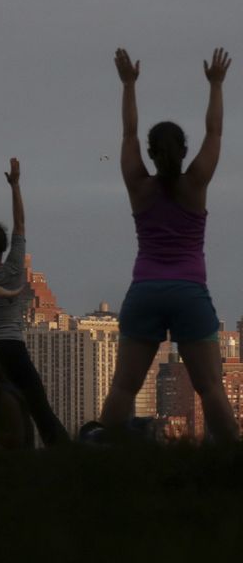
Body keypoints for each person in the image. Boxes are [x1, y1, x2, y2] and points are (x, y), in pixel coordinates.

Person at [96, 48, 238, 444]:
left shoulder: (140, 186)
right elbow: (215, 133)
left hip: (145, 291)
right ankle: (233, 464)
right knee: (210, 388)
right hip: (190, 292)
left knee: (123, 388)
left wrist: (128, 85)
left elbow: (127, 134)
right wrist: (216, 85)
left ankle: (97, 464)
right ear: (184, 152)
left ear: (153, 154)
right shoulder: (195, 185)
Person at [0, 157, 67, 446]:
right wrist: (15, 185)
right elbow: (20, 223)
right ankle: (66, 456)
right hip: (12, 345)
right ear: (5, 247)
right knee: (39, 408)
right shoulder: (15, 268)